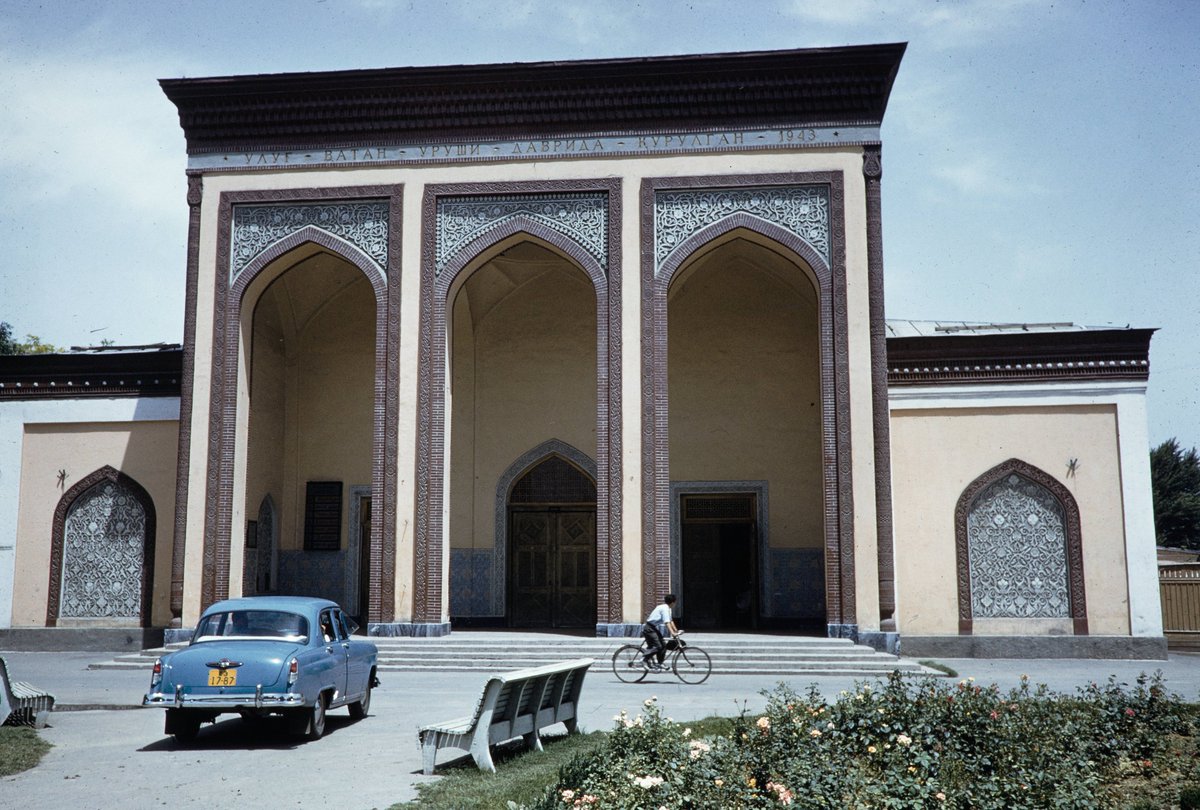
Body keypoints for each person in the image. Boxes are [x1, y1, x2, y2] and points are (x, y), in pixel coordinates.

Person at [642, 594, 679, 670]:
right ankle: (644, 659)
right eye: (675, 602)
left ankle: (660, 663)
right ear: (672, 602)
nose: (675, 604)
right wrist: (672, 633)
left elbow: (670, 620)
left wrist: (676, 630)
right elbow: (667, 622)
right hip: (649, 628)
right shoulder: (664, 609)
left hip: (653, 628)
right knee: (658, 646)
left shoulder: (668, 608)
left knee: (663, 645)